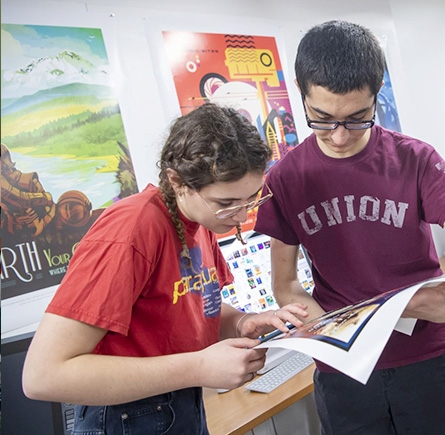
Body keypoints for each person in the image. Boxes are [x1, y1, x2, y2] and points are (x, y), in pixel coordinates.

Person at [254, 20, 445, 435]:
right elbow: (286, 285)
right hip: (344, 371)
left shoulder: (415, 160)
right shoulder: (284, 179)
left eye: (357, 118)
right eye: (321, 118)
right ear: (302, 93)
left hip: (433, 362)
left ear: (377, 94)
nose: (337, 136)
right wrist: (338, 338)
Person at [22, 103, 308, 435]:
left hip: (178, 405)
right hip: (125, 417)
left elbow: (189, 311)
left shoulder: (201, 220)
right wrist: (198, 367)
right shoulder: (131, 230)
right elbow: (43, 376)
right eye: (226, 203)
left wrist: (240, 322)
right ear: (178, 182)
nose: (241, 217)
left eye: (250, 200)